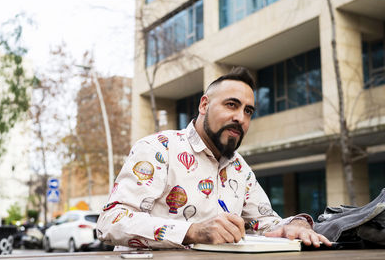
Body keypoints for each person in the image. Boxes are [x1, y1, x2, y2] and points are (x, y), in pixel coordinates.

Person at [96, 67, 332, 249]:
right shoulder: (157, 148)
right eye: (232, 105)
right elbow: (111, 221)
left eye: (248, 111)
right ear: (204, 104)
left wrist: (295, 225)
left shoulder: (240, 168)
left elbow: (266, 224)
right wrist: (192, 231)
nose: (240, 117)